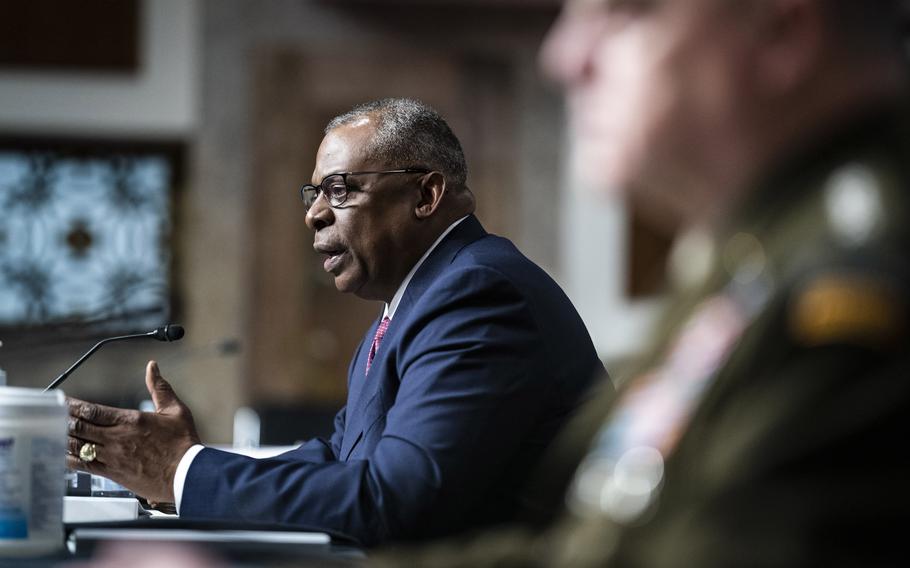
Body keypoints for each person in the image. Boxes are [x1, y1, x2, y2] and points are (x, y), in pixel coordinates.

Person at [374, 0, 910, 565]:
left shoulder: (854, 283)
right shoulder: (753, 260)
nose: (563, 58)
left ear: (781, 31)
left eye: (622, 14)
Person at [65, 98, 606, 547]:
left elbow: (393, 503)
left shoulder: (477, 294)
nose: (314, 213)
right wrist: (186, 471)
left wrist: (181, 472)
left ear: (425, 194)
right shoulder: (413, 303)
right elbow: (336, 458)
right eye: (315, 193)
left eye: (341, 190)